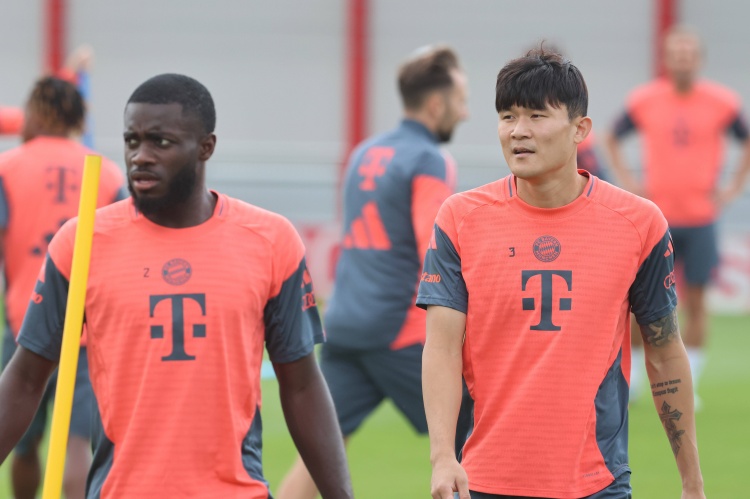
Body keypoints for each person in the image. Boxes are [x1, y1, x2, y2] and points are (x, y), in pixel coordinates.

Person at [0, 73, 353, 498]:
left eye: (160, 142)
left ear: (206, 147)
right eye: (132, 141)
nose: (140, 156)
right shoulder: (81, 241)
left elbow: (301, 385)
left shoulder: (271, 241)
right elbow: (25, 379)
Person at [418, 47, 705, 498]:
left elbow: (665, 353)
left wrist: (692, 482)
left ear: (580, 130)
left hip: (598, 482)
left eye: (536, 115)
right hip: (484, 480)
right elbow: (441, 348)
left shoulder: (639, 224)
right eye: (508, 117)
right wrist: (442, 457)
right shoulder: (460, 219)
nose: (519, 131)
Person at [277, 45, 468, 498]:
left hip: (344, 323)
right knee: (478, 441)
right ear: (436, 104)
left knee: (320, 453)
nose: (465, 112)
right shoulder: (430, 159)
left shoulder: (365, 152)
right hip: (397, 332)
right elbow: (435, 250)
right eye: (461, 101)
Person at [604, 26, 750, 405]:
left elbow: (746, 139)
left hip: (701, 218)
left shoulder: (722, 102)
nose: (683, 60)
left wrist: (733, 187)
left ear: (699, 59)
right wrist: (629, 183)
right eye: (676, 54)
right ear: (666, 59)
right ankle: (636, 382)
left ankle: (689, 383)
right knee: (638, 302)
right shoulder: (645, 100)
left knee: (697, 301)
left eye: (689, 54)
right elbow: (612, 136)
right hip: (656, 220)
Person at [0, 76, 127, 499]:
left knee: (22, 443)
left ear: (36, 113)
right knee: (77, 445)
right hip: (91, 326)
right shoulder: (107, 171)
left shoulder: (8, 167)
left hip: (26, 322)